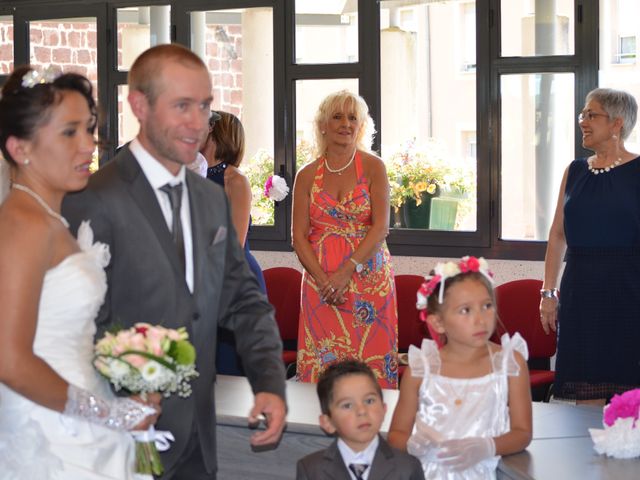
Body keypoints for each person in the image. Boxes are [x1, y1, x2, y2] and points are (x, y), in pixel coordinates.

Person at [62, 43, 287, 479]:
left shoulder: (210, 198)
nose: (197, 122)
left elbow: (242, 299)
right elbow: (76, 322)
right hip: (121, 435)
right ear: (139, 105)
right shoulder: (92, 198)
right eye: (181, 105)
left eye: (204, 107)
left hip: (199, 437)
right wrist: (126, 397)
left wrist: (270, 382)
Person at [0, 66, 157, 478]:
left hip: (80, 406)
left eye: (89, 129)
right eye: (70, 132)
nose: (89, 145)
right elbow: (10, 361)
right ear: (21, 148)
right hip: (48, 428)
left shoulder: (48, 217)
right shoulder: (23, 224)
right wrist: (109, 413)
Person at [388, 256, 532, 479]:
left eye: (487, 306)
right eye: (466, 310)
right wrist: (413, 444)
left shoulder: (509, 363)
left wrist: (488, 446)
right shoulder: (421, 369)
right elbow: (397, 434)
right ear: (438, 323)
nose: (481, 319)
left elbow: (522, 433)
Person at [540, 88, 640, 405]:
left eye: (591, 114)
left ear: (617, 123)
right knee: (583, 392)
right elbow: (557, 235)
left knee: (627, 392)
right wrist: (548, 292)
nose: (583, 121)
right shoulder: (575, 171)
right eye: (583, 114)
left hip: (628, 290)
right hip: (580, 288)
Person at [292, 90, 398, 388]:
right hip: (319, 281)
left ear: (361, 125)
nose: (346, 124)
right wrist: (325, 280)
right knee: (323, 367)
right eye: (338, 116)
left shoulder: (374, 167)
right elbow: (298, 237)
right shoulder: (307, 175)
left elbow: (380, 228)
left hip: (368, 278)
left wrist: (345, 271)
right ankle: (315, 432)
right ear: (323, 124)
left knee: (369, 365)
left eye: (353, 118)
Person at [201, 110, 265, 375]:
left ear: (216, 132)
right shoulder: (187, 173)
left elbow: (235, 242)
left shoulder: (235, 181)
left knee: (231, 369)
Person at [296, 360, 425, 480]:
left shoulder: (408, 468)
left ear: (384, 408)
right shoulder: (311, 469)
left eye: (369, 401)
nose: (362, 411)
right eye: (347, 405)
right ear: (328, 423)